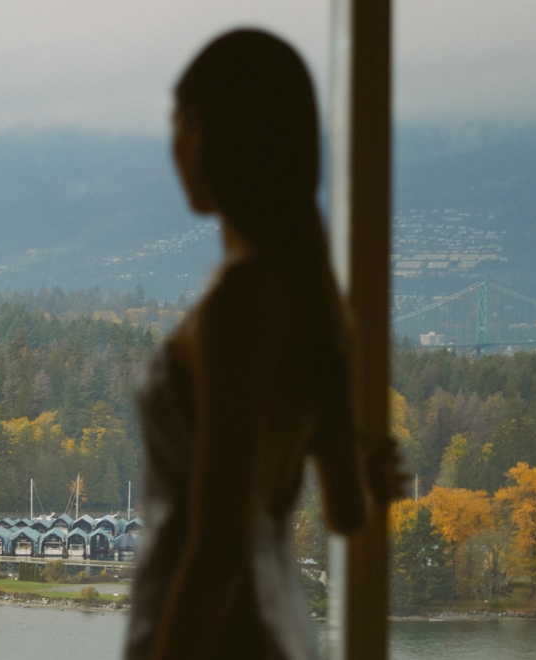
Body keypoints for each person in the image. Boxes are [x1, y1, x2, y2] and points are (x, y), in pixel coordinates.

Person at [125, 29, 404, 660]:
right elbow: (349, 511)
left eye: (184, 121)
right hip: (276, 628)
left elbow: (219, 542)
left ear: (213, 137)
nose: (176, 144)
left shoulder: (240, 306)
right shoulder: (310, 301)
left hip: (215, 637)